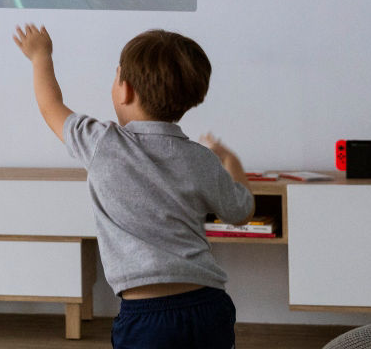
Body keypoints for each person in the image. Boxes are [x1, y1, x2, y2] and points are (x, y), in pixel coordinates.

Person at [13, 25, 254, 349]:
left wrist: (40, 55)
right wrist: (230, 159)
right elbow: (241, 211)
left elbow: (50, 105)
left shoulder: (101, 143)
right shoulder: (202, 159)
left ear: (124, 90)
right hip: (208, 306)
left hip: (146, 315)